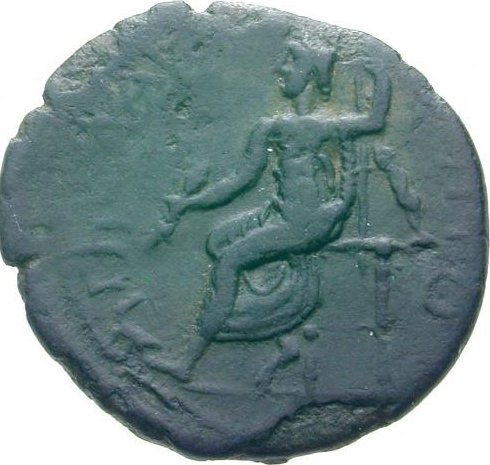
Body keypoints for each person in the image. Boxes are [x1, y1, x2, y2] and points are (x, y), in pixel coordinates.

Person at [147, 42, 391, 381]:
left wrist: (380, 76)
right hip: (282, 214)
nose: (282, 71)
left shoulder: (323, 127)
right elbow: (241, 180)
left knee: (229, 261)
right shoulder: (273, 127)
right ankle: (263, 311)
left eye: (291, 64)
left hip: (307, 223)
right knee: (218, 240)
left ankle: (187, 363)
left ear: (308, 74)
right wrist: (192, 202)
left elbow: (375, 121)